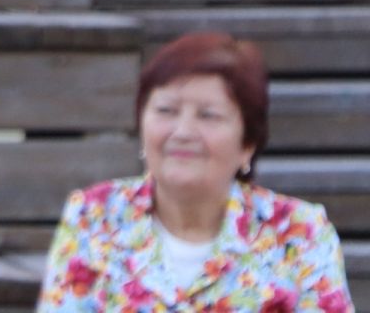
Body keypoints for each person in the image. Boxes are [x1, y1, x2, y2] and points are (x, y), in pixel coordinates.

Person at [37, 33, 353, 312]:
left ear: (247, 143)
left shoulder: (299, 232)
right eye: (166, 111)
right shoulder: (94, 217)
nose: (183, 132)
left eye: (208, 115)